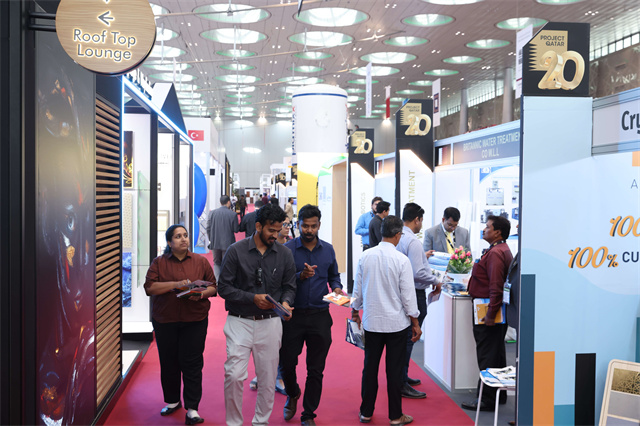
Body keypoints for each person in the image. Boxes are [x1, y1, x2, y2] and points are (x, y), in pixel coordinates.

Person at [218, 203, 297, 426]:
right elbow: (224, 288)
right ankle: (234, 423)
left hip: (271, 322)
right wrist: (252, 298)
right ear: (259, 226)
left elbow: (290, 287)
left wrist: (285, 303)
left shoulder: (285, 254)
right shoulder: (236, 250)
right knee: (234, 375)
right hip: (239, 321)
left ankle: (261, 422)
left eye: (279, 230)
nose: (276, 235)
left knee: (268, 378)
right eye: (271, 230)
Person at [144, 224, 217, 425]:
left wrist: (200, 294)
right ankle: (173, 401)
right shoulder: (159, 263)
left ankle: (192, 408)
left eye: (185, 235)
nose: (184, 239)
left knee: (193, 363)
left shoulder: (200, 261)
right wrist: (175, 285)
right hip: (165, 320)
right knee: (169, 362)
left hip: (195, 319)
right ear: (169, 242)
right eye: (178, 236)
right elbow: (150, 288)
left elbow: (213, 287)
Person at [351, 216, 421, 426]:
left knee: (370, 368)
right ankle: (395, 416)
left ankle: (366, 412)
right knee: (394, 371)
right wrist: (415, 322)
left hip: (372, 322)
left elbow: (357, 290)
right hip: (396, 324)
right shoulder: (401, 260)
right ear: (398, 235)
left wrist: (355, 311)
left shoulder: (366, 256)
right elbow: (408, 296)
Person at [280, 205, 343, 425]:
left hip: (320, 315)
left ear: (319, 225)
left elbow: (334, 276)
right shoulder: (287, 250)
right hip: (292, 316)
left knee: (315, 369)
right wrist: (300, 276)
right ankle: (292, 393)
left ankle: (308, 414)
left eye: (313, 226)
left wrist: (336, 288)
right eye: (305, 226)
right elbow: (281, 282)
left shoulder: (328, 250)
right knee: (286, 363)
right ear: (298, 225)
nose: (309, 230)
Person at [461, 215, 513, 412]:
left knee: (487, 355)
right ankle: (497, 395)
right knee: (495, 354)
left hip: (488, 312)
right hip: (493, 311)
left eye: (488, 227)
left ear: (497, 232)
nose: (484, 229)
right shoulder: (500, 249)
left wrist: (490, 314)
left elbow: (495, 286)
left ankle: (487, 399)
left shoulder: (496, 253)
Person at [396, 203, 442, 399]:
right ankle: (401, 382)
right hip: (414, 293)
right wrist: (436, 280)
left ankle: (402, 377)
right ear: (417, 220)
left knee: (404, 338)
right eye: (421, 220)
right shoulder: (413, 241)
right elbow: (418, 273)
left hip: (401, 292)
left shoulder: (398, 236)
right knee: (410, 337)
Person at [205, 195, 239, 279]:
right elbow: (236, 229)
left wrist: (211, 239)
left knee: (216, 263)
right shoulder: (233, 214)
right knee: (227, 263)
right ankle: (225, 280)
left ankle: (217, 280)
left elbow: (208, 228)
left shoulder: (212, 213)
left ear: (220, 202)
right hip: (228, 243)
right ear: (228, 202)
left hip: (215, 243)